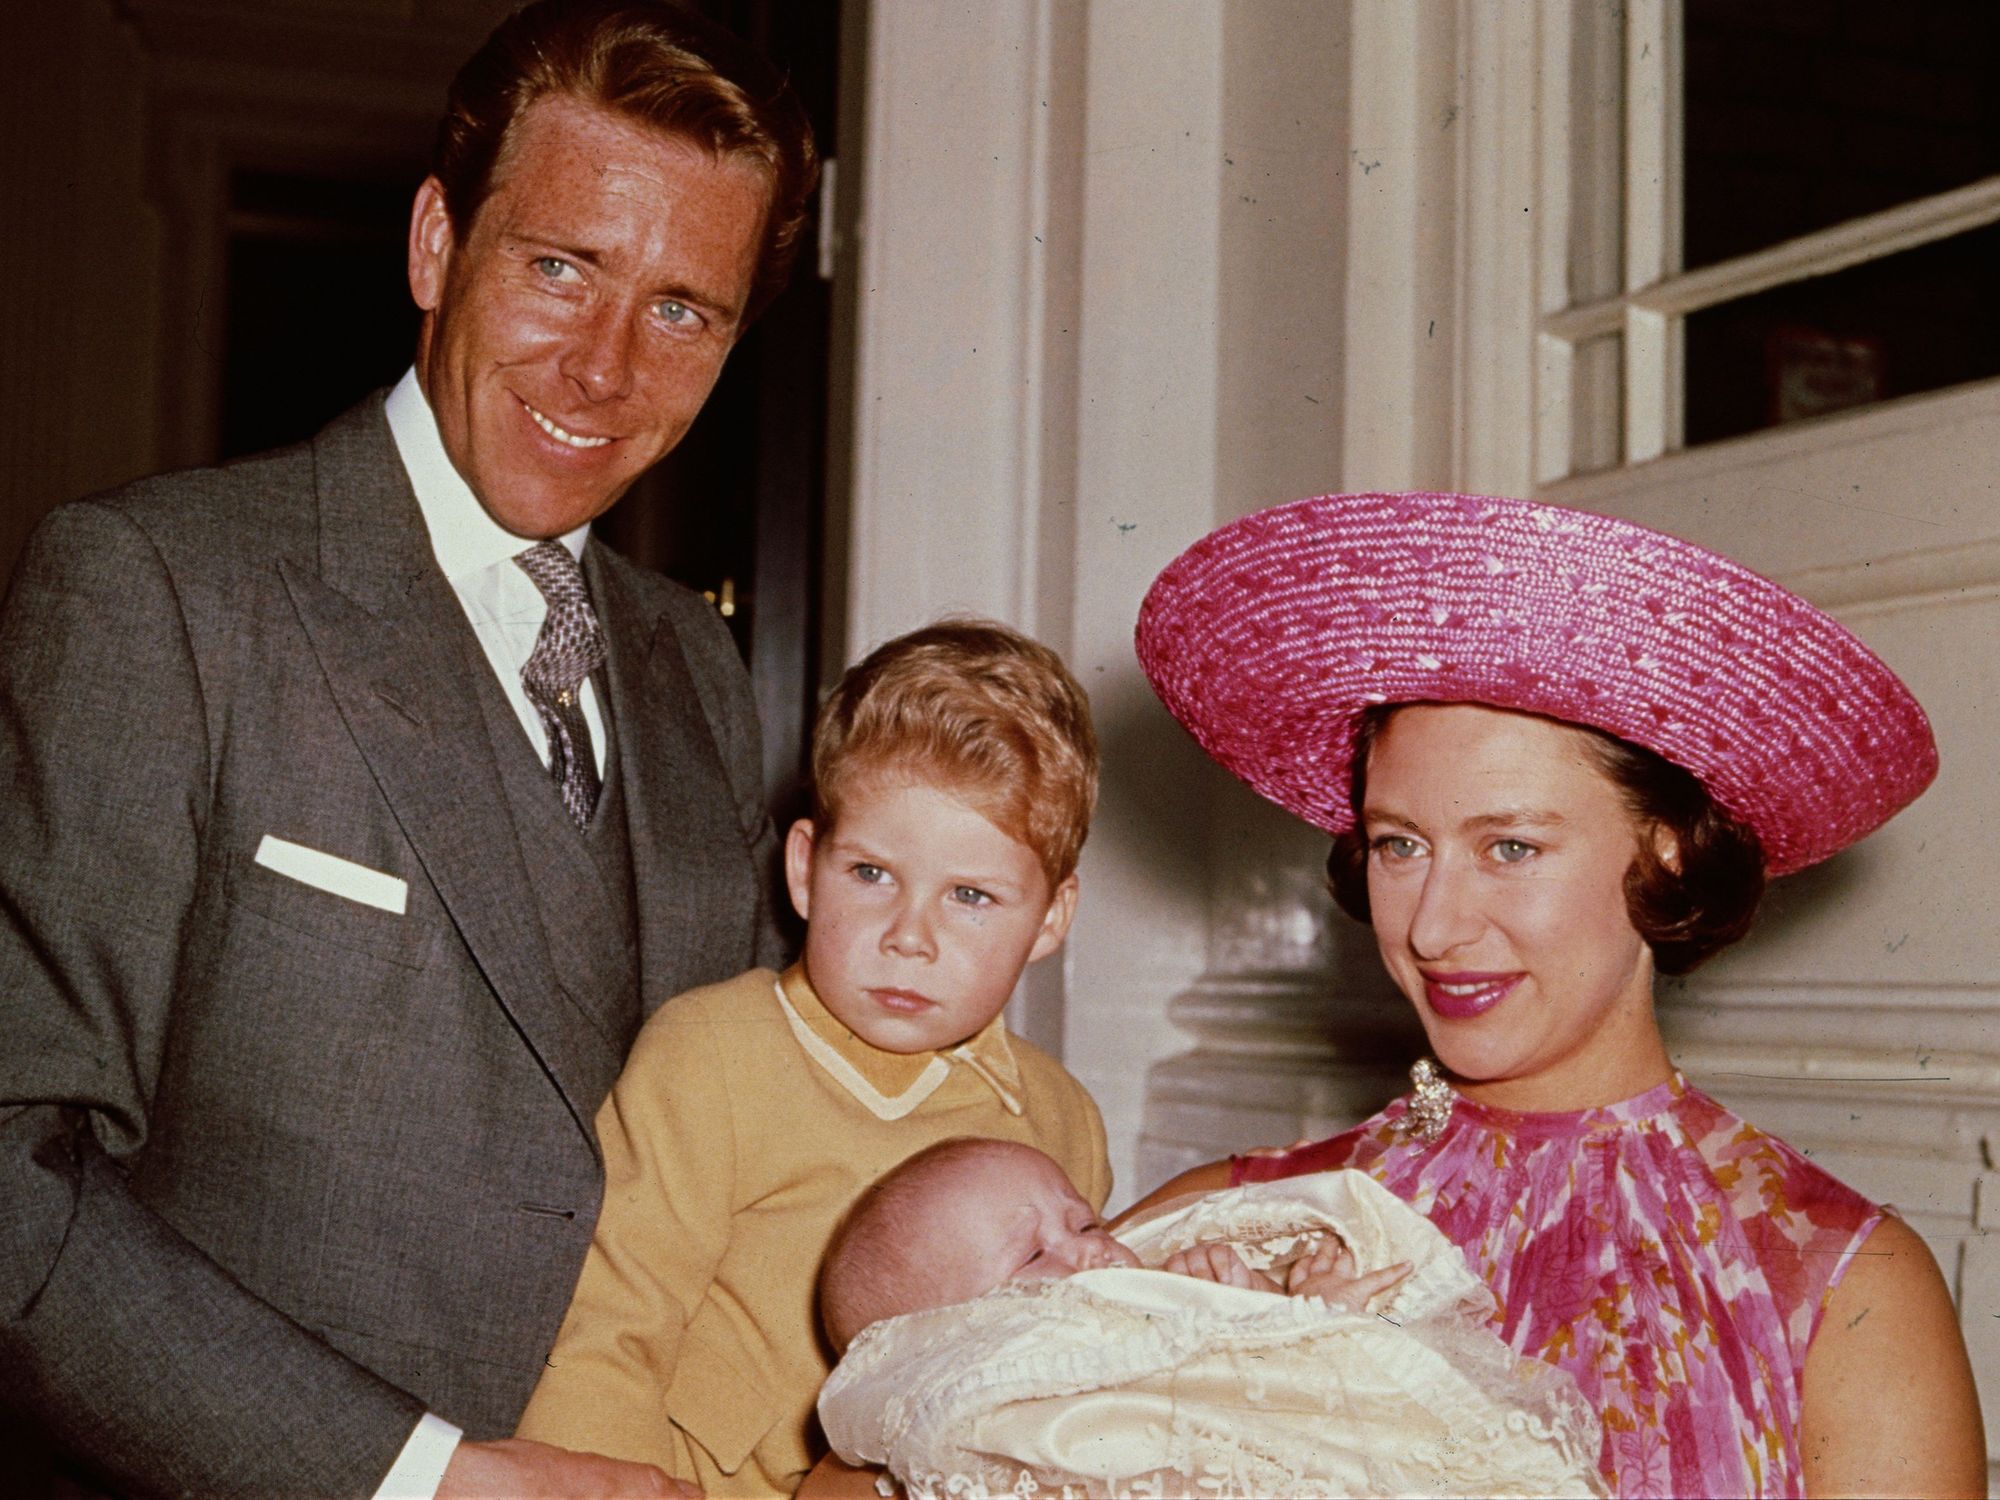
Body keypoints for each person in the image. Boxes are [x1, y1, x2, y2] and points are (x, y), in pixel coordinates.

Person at [0, 2, 816, 1496]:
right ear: (439, 246)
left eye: (683, 311)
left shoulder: (697, 668)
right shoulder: (158, 589)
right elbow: (11, 1176)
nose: (603, 369)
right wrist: (429, 1477)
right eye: (560, 269)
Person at [1125, 490, 1986, 1498]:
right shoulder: (1226, 1230)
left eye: (1510, 847)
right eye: (1400, 845)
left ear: (1661, 849)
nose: (1432, 924)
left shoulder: (1839, 1291)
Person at [513, 620, 1116, 1495]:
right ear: (804, 868)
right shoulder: (713, 1056)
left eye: (971, 896)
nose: (909, 937)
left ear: (1052, 919)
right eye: (871, 875)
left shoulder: (1060, 1117)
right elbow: (609, 1332)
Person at [814, 1137, 1605, 1500]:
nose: (1090, 1254)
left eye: (1087, 1224)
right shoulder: (988, 1399)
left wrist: (1283, 1309)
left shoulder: (1162, 1283)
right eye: (1030, 1260)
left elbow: (1293, 1406)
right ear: (940, 1346)